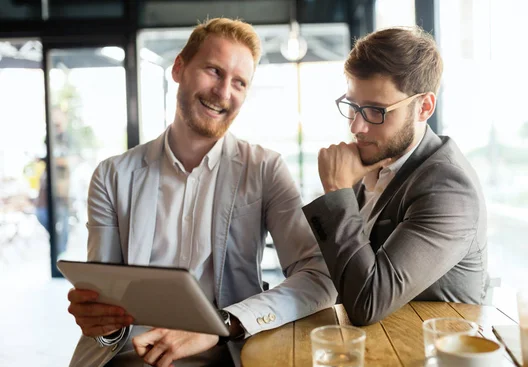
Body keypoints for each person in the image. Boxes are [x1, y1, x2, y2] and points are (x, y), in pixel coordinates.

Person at [66, 18, 337, 367]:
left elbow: (318, 277)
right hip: (130, 357)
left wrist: (222, 324)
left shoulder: (265, 169)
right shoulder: (112, 175)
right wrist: (101, 324)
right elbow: (104, 305)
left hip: (229, 354)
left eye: (239, 82)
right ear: (179, 68)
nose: (224, 93)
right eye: (213, 71)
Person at [302, 26, 488, 326]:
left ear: (424, 107)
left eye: (376, 111)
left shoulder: (448, 189)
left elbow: (367, 302)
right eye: (352, 107)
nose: (357, 128)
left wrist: (337, 191)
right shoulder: (374, 162)